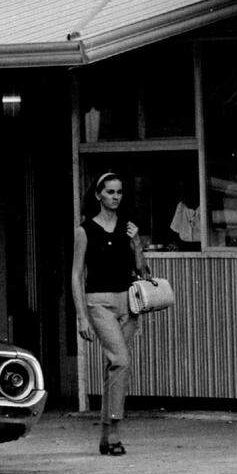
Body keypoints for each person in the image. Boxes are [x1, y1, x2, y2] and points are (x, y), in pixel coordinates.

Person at [71, 171, 149, 456]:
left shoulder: (127, 228)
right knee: (121, 360)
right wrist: (82, 316)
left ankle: (105, 437)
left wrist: (136, 242)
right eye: (110, 192)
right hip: (99, 302)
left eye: (119, 192)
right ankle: (115, 431)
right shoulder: (85, 230)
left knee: (114, 367)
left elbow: (143, 272)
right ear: (98, 195)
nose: (115, 197)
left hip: (128, 303)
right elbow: (76, 275)